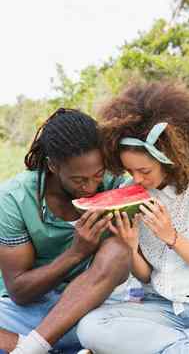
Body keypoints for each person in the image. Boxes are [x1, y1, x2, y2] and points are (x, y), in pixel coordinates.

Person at [77, 81, 189, 354]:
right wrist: (130, 248)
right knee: (90, 326)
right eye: (129, 170)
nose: (136, 179)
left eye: (144, 170)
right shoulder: (129, 191)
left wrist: (171, 237)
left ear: (170, 157)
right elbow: (146, 276)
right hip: (160, 306)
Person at [0, 108, 131, 354]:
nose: (91, 187)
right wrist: (76, 253)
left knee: (117, 250)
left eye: (97, 174)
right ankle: (34, 346)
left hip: (90, 306)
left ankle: (29, 348)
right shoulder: (13, 199)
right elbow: (19, 292)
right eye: (79, 180)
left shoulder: (114, 184)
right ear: (52, 166)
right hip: (27, 311)